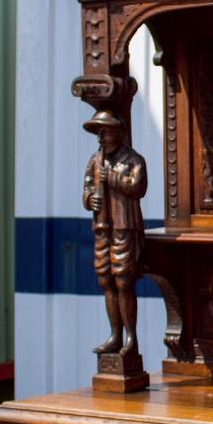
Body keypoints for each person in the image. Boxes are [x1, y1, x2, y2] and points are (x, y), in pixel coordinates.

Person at [82, 110, 148, 358]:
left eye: (106, 132)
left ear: (118, 133)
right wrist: (90, 199)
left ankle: (130, 337)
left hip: (124, 226)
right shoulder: (94, 161)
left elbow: (137, 187)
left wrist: (110, 177)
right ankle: (115, 334)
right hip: (103, 226)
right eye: (99, 132)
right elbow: (87, 189)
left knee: (123, 280)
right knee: (105, 279)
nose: (101, 138)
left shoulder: (133, 160)